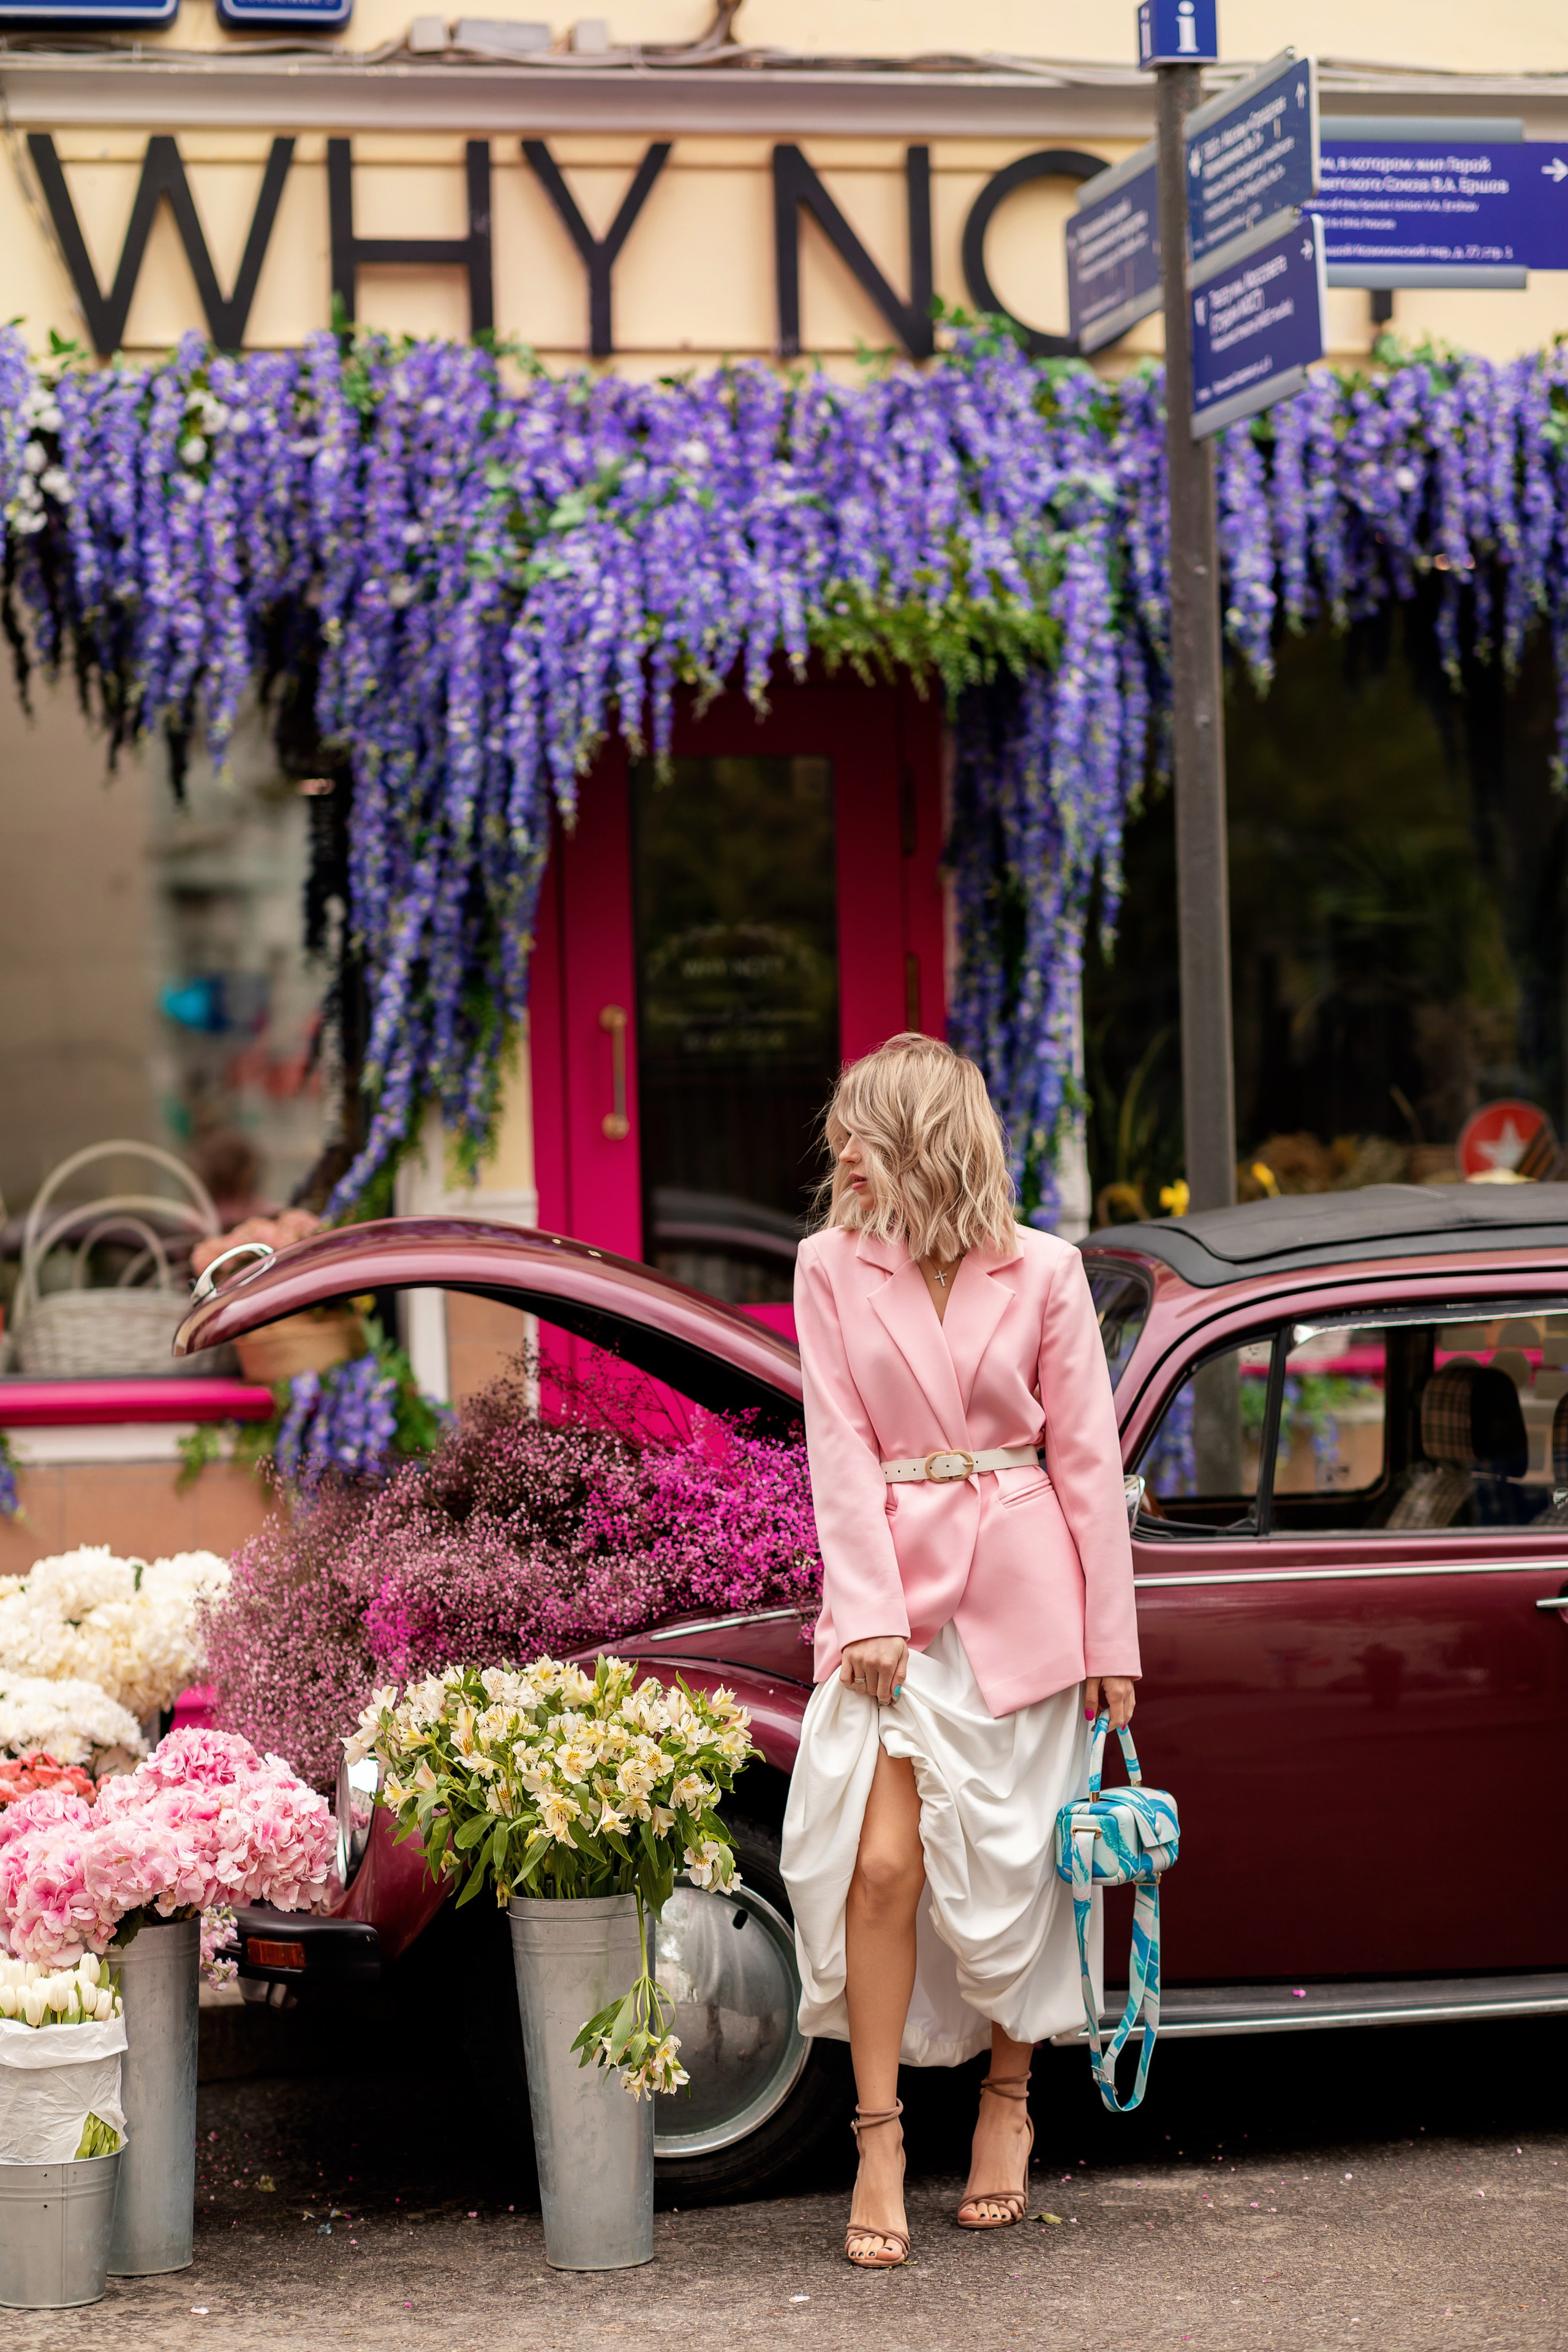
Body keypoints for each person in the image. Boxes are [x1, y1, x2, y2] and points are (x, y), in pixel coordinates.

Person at [779, 1033, 1140, 2268]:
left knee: (1016, 1864)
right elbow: (835, 1445)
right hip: (894, 1611)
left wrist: (1110, 1639)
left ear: (922, 1138)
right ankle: (877, 2136)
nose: (839, 1151)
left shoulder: (1043, 1268)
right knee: (879, 1867)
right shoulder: (828, 1266)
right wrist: (867, 1609)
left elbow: (1084, 1459)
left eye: (859, 1128)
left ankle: (1006, 2102)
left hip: (1024, 1598)